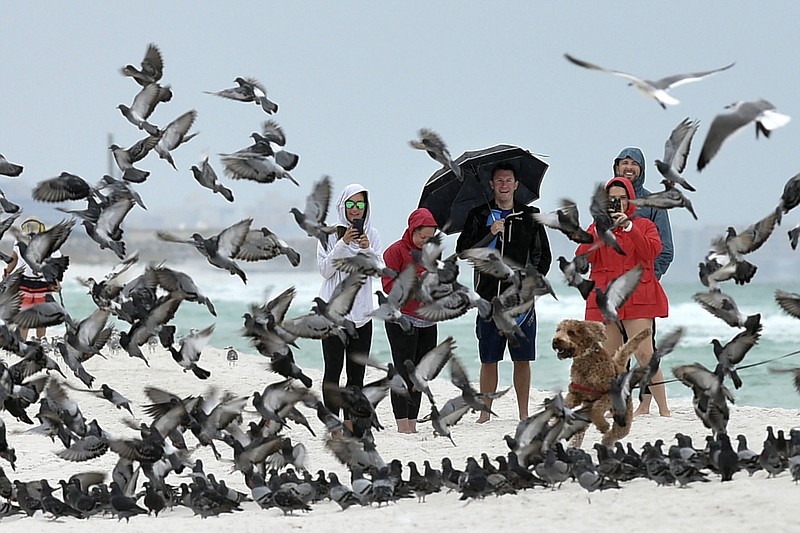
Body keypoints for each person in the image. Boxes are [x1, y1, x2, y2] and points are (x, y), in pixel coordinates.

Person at [456, 162, 552, 423]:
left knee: (522, 357)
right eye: (499, 181)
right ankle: (485, 413)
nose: (504, 185)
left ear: (516, 184)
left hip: (520, 299)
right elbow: (464, 250)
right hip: (488, 296)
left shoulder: (529, 216)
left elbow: (543, 255)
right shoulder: (479, 215)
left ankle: (523, 412)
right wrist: (490, 232)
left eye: (508, 180)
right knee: (489, 358)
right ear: (491, 185)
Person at [576, 177, 670, 417]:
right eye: (612, 199)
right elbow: (582, 259)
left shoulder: (644, 224)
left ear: (630, 200)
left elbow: (653, 251)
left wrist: (629, 226)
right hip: (607, 300)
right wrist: (599, 230)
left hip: (638, 297)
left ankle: (664, 409)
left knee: (644, 354)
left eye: (621, 198)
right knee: (610, 358)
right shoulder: (596, 227)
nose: (616, 202)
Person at [317, 184, 383, 429]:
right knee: (333, 372)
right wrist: (343, 243)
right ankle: (333, 426)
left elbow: (379, 271)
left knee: (357, 375)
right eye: (351, 204)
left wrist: (366, 248)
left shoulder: (372, 234)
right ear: (343, 206)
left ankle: (352, 424)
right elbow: (325, 271)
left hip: (362, 314)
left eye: (360, 205)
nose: (356, 210)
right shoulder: (328, 234)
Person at [614, 146, 674, 412]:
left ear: (641, 169)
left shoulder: (652, 204)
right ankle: (621, 401)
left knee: (644, 351)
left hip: (642, 291)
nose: (628, 167)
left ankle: (647, 403)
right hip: (614, 291)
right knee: (616, 352)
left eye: (633, 163)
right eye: (624, 162)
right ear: (616, 167)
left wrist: (649, 278)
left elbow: (665, 250)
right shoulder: (608, 202)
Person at [381, 207, 439, 434]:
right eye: (422, 237)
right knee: (403, 372)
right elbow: (388, 287)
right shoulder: (394, 251)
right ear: (412, 230)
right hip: (401, 318)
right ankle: (402, 425)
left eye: (430, 238)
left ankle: (413, 425)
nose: (425, 242)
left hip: (428, 319)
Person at [4, 216, 61, 341]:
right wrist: (7, 272)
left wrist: (56, 282)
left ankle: (41, 342)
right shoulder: (19, 242)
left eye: (34, 227)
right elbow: (14, 258)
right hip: (24, 282)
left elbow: (55, 266)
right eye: (28, 227)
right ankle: (23, 343)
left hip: (43, 283)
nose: (31, 230)